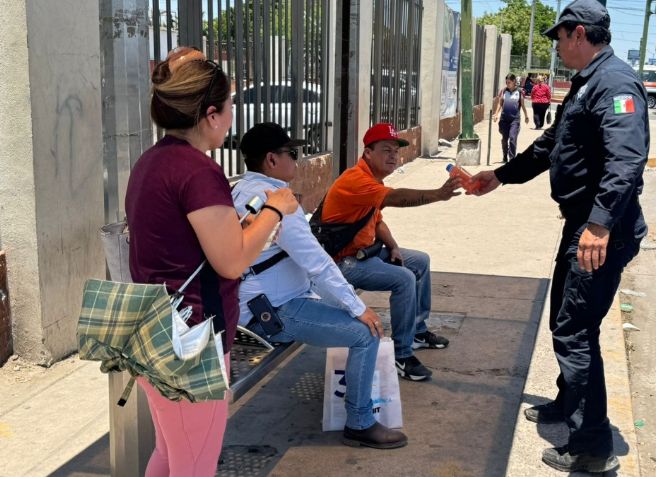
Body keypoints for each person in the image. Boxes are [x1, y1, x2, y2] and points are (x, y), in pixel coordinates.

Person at [470, 0, 648, 473]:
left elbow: (626, 161)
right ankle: (569, 406)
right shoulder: (589, 82)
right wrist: (501, 176)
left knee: (575, 329)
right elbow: (553, 144)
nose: (556, 45)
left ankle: (592, 447)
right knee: (562, 318)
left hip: (601, 231)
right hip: (583, 224)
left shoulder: (615, 83)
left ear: (578, 34)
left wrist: (599, 225)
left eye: (559, 36)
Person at [125, 47, 300, 476]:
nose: (233, 116)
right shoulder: (197, 171)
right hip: (193, 343)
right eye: (230, 107)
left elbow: (186, 245)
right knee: (194, 465)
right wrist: (275, 209)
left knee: (170, 456)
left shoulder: (152, 162)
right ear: (211, 114)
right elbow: (232, 261)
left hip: (157, 331)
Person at [231, 122, 407, 449]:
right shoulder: (277, 201)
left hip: (261, 303)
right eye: (291, 153)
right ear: (271, 159)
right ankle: (360, 422)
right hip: (271, 312)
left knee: (350, 314)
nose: (297, 160)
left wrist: (343, 302)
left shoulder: (242, 190)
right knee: (366, 332)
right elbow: (317, 261)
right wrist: (359, 308)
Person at [318, 123, 461, 381]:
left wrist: (393, 246)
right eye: (386, 150)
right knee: (404, 279)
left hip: (365, 253)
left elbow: (377, 220)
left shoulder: (372, 180)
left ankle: (416, 331)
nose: (393, 156)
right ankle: (402, 355)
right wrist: (438, 195)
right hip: (342, 262)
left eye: (396, 150)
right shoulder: (357, 180)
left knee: (419, 261)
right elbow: (396, 198)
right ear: (368, 153)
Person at [492, 74, 529, 163]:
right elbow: (500, 103)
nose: (507, 84)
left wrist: (526, 116)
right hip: (504, 119)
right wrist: (496, 114)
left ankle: (512, 159)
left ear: (514, 82)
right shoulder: (504, 91)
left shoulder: (520, 92)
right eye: (506, 82)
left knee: (512, 138)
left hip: (515, 120)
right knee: (505, 139)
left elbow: (523, 105)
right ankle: (505, 155)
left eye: (509, 82)